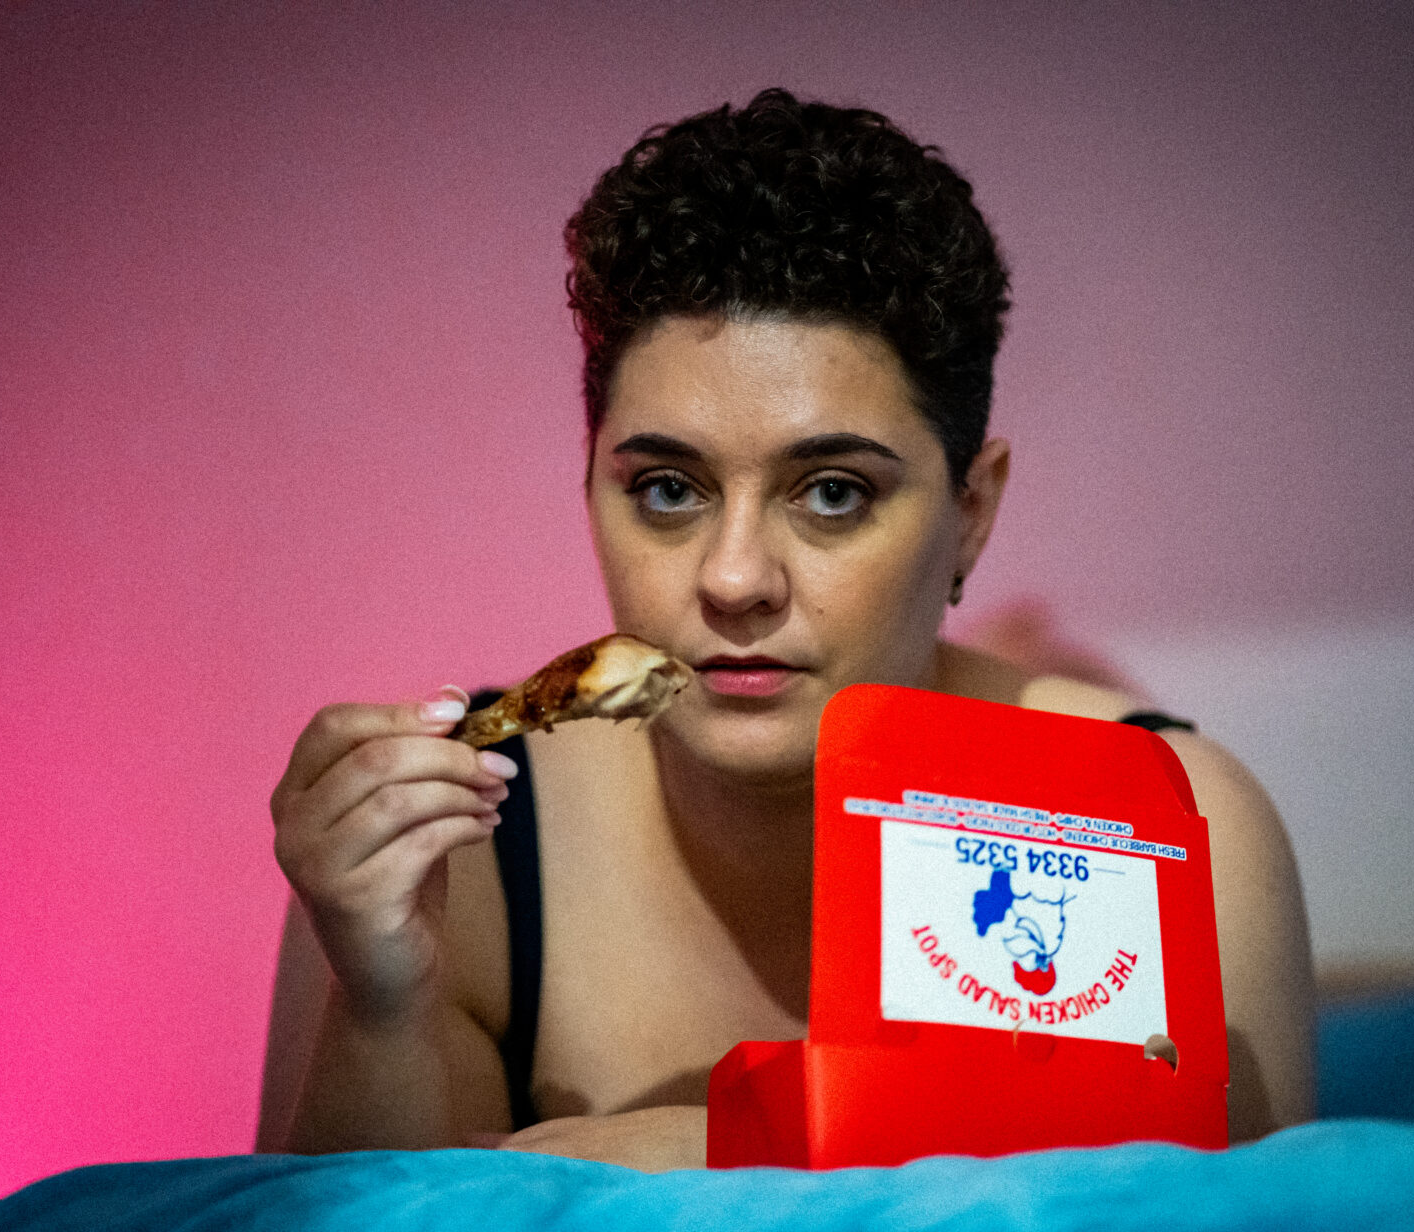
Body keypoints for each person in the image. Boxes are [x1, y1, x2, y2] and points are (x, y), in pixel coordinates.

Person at [255, 89, 1315, 1171]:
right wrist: (380, 1000)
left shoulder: (1184, 836)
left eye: (835, 493)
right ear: (588, 483)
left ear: (972, 512)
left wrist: (745, 1151)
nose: (733, 577)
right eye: (668, 488)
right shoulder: (453, 853)